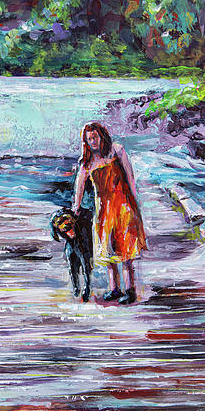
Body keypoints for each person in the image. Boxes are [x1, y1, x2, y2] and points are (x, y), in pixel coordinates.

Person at [72, 122, 147, 304]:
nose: (93, 142)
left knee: (126, 249)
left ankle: (129, 290)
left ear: (102, 136)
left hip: (123, 205)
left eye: (95, 137)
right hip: (103, 210)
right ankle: (114, 289)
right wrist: (76, 207)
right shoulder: (87, 163)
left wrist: (134, 201)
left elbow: (130, 176)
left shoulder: (116, 150)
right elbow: (79, 187)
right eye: (89, 139)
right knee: (108, 249)